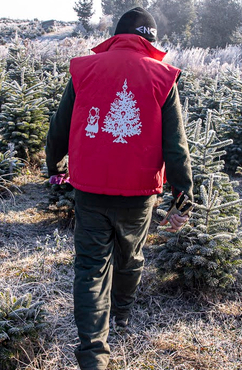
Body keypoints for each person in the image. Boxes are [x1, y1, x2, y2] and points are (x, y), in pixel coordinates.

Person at [45, 7, 193, 370]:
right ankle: (122, 315)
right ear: (151, 41)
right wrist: (183, 196)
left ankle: (93, 354)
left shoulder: (85, 70)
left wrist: (54, 167)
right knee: (131, 256)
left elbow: (59, 127)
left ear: (116, 34)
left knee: (91, 267)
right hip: (140, 193)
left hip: (90, 190)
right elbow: (176, 145)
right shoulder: (162, 76)